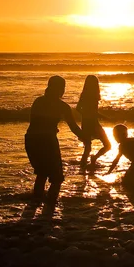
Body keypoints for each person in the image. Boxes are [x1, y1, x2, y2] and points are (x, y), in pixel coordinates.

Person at [25, 75, 85, 206]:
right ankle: (50, 207)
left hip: (31, 140)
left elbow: (35, 123)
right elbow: (74, 127)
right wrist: (85, 137)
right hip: (47, 140)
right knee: (56, 178)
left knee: (42, 174)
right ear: (60, 89)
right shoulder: (62, 106)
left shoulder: (38, 101)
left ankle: (35, 204)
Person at [76, 75, 111, 169]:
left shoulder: (84, 95)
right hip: (93, 124)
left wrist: (85, 115)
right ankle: (93, 159)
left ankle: (83, 165)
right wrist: (106, 117)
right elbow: (93, 113)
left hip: (86, 123)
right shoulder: (93, 96)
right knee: (107, 145)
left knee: (87, 148)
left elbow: (78, 109)